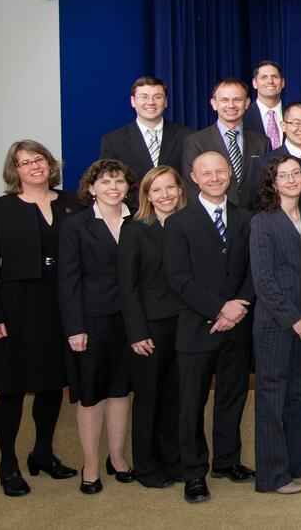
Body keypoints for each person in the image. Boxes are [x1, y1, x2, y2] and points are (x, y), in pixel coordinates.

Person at [164, 151, 256, 503]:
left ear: (230, 174)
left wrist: (236, 309)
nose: (216, 177)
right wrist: (220, 308)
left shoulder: (246, 219)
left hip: (237, 327)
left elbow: (253, 271)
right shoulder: (178, 223)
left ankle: (227, 460)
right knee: (191, 404)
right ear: (194, 177)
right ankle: (193, 473)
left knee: (231, 398)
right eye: (207, 172)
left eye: (221, 171)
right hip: (197, 327)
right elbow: (178, 278)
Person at [0, 141, 79, 497]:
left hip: (61, 299)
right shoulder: (1, 209)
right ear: (15, 170)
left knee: (50, 382)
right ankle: (7, 463)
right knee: (13, 385)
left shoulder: (72, 202)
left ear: (50, 163)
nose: (34, 166)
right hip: (17, 303)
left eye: (39, 159)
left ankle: (42, 452)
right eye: (25, 162)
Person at [58, 159, 135, 494]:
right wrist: (75, 327)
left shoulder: (138, 221)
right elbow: (68, 281)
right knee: (91, 395)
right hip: (90, 322)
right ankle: (90, 464)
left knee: (121, 391)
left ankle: (117, 458)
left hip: (130, 321)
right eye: (105, 182)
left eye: (118, 181)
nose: (113, 188)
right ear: (91, 189)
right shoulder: (75, 226)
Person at [247, 156, 301, 494]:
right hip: (277, 324)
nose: (291, 179)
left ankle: (300, 461)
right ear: (272, 182)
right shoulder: (263, 222)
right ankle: (272, 475)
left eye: (297, 173)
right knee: (272, 397)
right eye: (283, 175)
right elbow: (264, 280)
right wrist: (294, 319)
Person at [119, 166, 186, 489]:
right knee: (149, 398)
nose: (165, 195)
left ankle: (173, 461)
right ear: (146, 195)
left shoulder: (187, 224)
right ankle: (146, 466)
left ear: (180, 189)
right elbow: (128, 286)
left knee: (175, 396)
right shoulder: (134, 230)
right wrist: (136, 332)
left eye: (170, 188)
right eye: (157, 190)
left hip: (184, 323)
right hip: (150, 327)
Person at [98, 76, 195, 207]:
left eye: (157, 97)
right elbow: (110, 183)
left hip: (178, 214)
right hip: (134, 215)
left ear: (165, 102)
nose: (150, 102)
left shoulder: (188, 136)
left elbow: (192, 180)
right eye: (144, 96)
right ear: (132, 101)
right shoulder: (113, 141)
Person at [180, 79, 271, 209]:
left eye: (237, 99)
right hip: (215, 219)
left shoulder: (262, 142)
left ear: (247, 103)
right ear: (214, 104)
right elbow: (192, 187)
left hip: (255, 218)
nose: (231, 105)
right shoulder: (195, 142)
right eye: (224, 100)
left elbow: (267, 185)